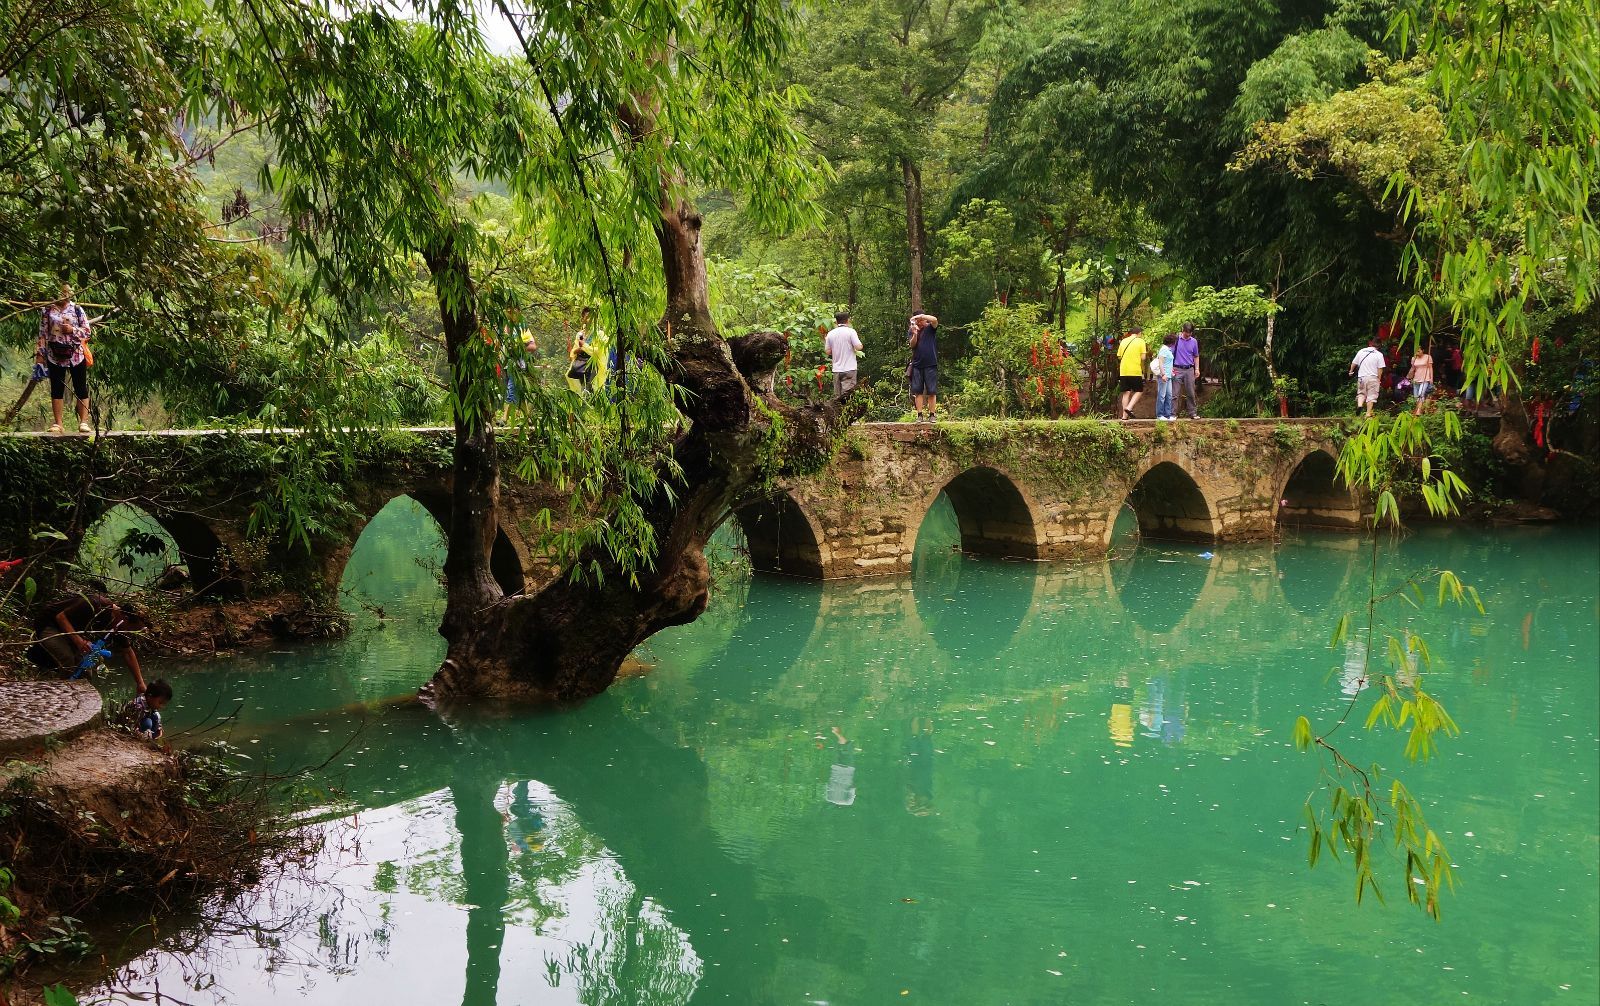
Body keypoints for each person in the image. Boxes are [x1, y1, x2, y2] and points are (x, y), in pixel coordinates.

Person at [26, 592, 150, 693]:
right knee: (68, 660)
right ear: (125, 618)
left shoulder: (118, 625)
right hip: (50, 624)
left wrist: (140, 683)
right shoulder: (96, 604)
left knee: (85, 671)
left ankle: (77, 702)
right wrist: (79, 642)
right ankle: (60, 699)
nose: (129, 632)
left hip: (70, 633)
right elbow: (61, 617)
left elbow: (127, 652)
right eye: (131, 629)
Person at [36, 283, 93, 435]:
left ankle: (84, 422)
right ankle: (58, 423)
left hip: (76, 354)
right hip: (54, 354)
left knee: (81, 387)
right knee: (56, 389)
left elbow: (87, 332)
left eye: (65, 292)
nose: (63, 294)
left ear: (69, 293)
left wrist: (72, 330)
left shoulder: (77, 309)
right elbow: (42, 334)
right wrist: (40, 355)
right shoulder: (47, 310)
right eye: (60, 292)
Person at [824, 310, 863, 398]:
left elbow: (827, 351)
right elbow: (858, 347)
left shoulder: (830, 334)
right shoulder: (851, 331)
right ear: (847, 320)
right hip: (850, 368)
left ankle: (837, 412)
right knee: (848, 397)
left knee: (837, 398)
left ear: (836, 321)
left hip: (837, 369)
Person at [908, 312, 939, 422]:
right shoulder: (912, 330)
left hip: (931, 363)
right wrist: (915, 334)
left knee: (932, 391)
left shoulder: (930, 328)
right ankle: (920, 415)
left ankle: (932, 414)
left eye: (922, 319)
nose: (920, 322)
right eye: (918, 320)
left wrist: (921, 316)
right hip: (917, 364)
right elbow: (912, 345)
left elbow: (934, 319)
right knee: (918, 391)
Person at [1116, 325, 1147, 420]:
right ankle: (1129, 407)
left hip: (1124, 371)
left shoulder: (1124, 341)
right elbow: (1143, 358)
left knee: (1126, 393)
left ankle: (1124, 417)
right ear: (1139, 333)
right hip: (1135, 370)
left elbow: (1119, 356)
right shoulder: (1141, 341)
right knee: (1139, 390)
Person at [1349, 337, 1386, 416]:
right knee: (1371, 395)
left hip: (1361, 377)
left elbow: (1354, 363)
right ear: (1379, 346)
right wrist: (1379, 379)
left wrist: (1351, 371)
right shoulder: (1379, 354)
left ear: (1370, 343)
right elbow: (1380, 369)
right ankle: (1368, 413)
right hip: (1373, 377)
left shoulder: (1361, 351)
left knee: (1361, 393)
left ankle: (1359, 405)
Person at [1172, 322, 1200, 418]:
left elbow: (1196, 356)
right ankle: (1173, 414)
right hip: (1177, 368)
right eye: (1186, 332)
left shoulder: (1194, 341)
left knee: (1191, 392)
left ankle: (1193, 413)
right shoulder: (1176, 340)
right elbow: (1169, 354)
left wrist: (1197, 369)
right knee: (1175, 393)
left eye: (1190, 333)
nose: (1187, 335)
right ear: (1182, 330)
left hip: (1189, 369)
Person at [1152, 333, 1176, 420]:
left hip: (1169, 375)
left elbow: (1168, 363)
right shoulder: (1163, 349)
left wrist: (1171, 371)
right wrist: (1163, 374)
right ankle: (1160, 414)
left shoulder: (1168, 350)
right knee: (1162, 395)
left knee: (1169, 395)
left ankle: (1167, 414)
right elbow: (1161, 363)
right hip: (1164, 375)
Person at [1407, 345, 1435, 415]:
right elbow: (1413, 369)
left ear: (1423, 351)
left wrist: (1431, 378)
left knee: (1420, 394)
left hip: (1425, 378)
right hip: (1416, 379)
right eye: (1416, 351)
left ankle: (1418, 411)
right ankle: (1422, 410)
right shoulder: (1414, 358)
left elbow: (1430, 368)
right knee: (1416, 396)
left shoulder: (1428, 357)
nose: (1417, 352)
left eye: (1418, 351)